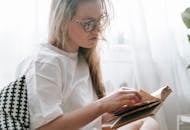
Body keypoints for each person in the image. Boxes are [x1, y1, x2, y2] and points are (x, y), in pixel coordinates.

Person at [15, 0, 160, 130]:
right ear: (63, 21)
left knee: (148, 122)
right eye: (88, 24)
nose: (98, 30)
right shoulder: (43, 63)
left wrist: (119, 107)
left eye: (100, 20)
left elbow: (86, 118)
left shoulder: (81, 58)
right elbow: (46, 127)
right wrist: (103, 104)